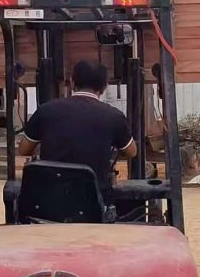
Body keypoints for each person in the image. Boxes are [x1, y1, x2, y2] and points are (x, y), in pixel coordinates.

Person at [18, 60, 137, 196]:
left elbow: (23, 149)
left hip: (50, 200)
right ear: (104, 87)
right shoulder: (114, 116)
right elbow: (131, 152)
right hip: (92, 203)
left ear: (72, 82)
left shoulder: (45, 110)